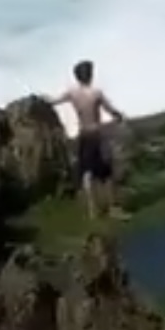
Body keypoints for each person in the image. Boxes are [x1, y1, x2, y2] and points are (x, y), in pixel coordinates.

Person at [47, 60, 126, 219]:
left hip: (83, 135)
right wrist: (119, 116)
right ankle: (113, 209)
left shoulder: (72, 93)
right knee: (107, 173)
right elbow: (111, 110)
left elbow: (53, 102)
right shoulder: (96, 93)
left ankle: (93, 210)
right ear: (90, 74)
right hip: (96, 134)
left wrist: (43, 99)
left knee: (87, 173)